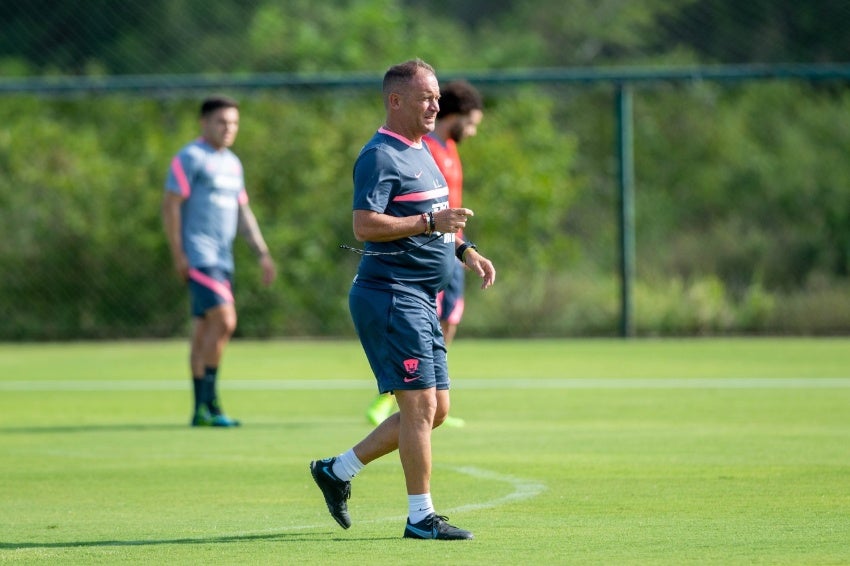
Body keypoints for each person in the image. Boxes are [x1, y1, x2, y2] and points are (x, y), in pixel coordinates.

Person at [310, 59, 496, 540]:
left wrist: (466, 249)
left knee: (437, 411)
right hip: (390, 296)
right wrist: (429, 225)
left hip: (420, 297)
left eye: (436, 97)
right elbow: (364, 225)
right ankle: (421, 518)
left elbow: (436, 216)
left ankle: (338, 470)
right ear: (396, 101)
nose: (436, 105)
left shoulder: (423, 150)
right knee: (418, 409)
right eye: (425, 97)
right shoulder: (379, 155)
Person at [365, 79, 485, 428]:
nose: (473, 131)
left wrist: (465, 250)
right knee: (428, 323)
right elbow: (400, 214)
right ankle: (394, 396)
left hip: (451, 249)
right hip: (423, 257)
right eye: (472, 122)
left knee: (449, 319)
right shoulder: (422, 148)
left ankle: (433, 395)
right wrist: (433, 229)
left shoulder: (448, 149)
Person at [162, 95, 276, 427]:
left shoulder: (233, 163)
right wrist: (178, 254)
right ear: (204, 123)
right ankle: (210, 403)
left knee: (204, 329)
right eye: (221, 122)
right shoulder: (190, 157)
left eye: (234, 123)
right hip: (200, 255)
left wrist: (262, 253)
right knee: (225, 321)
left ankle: (201, 410)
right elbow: (171, 206)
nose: (228, 129)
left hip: (223, 259)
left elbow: (243, 212)